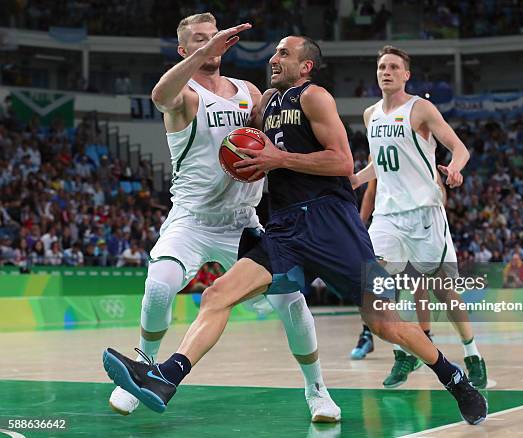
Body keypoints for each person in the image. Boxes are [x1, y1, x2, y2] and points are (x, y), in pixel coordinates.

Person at [103, 34, 487, 425]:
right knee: (217, 294)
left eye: (283, 54)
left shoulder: (314, 96)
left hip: (332, 223)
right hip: (285, 226)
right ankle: (168, 377)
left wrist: (278, 158)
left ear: (305, 66)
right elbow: (218, 121)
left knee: (384, 322)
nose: (274, 58)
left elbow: (341, 162)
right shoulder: (265, 101)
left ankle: (452, 376)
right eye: (274, 52)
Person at [106, 15, 340, 422]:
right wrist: (202, 55)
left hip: (243, 220)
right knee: (159, 288)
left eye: (212, 37)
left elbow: (276, 130)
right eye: (198, 40)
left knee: (292, 302)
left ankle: (316, 390)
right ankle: (142, 370)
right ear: (185, 51)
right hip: (192, 219)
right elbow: (160, 96)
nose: (209, 43)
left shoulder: (250, 92)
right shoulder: (185, 94)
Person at [349, 46, 487, 389]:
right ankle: (404, 352)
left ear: (406, 75)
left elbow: (460, 148)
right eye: (382, 66)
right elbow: (378, 164)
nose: (387, 71)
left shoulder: (421, 108)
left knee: (444, 292)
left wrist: (454, 169)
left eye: (394, 67)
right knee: (376, 284)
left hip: (425, 214)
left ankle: (472, 353)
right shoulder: (370, 115)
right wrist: (353, 179)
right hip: (388, 215)